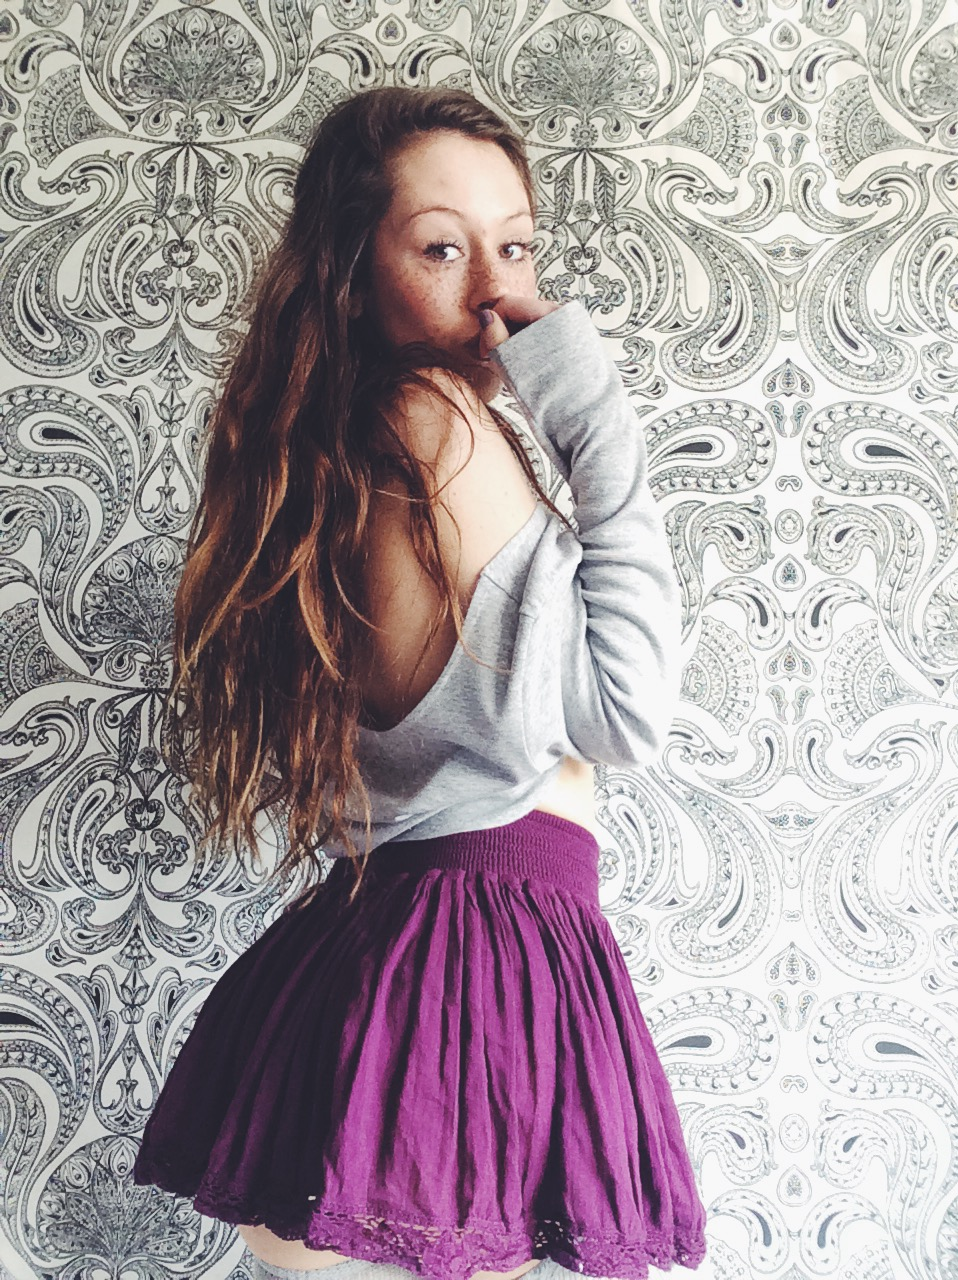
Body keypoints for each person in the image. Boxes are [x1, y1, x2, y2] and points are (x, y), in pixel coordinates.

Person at [131, 85, 708, 1280]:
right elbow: (624, 711)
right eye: (443, 248)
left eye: (517, 247)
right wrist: (590, 407)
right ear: (354, 274)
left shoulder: (348, 450)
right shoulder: (434, 417)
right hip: (472, 972)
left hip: (394, 958)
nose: (497, 293)